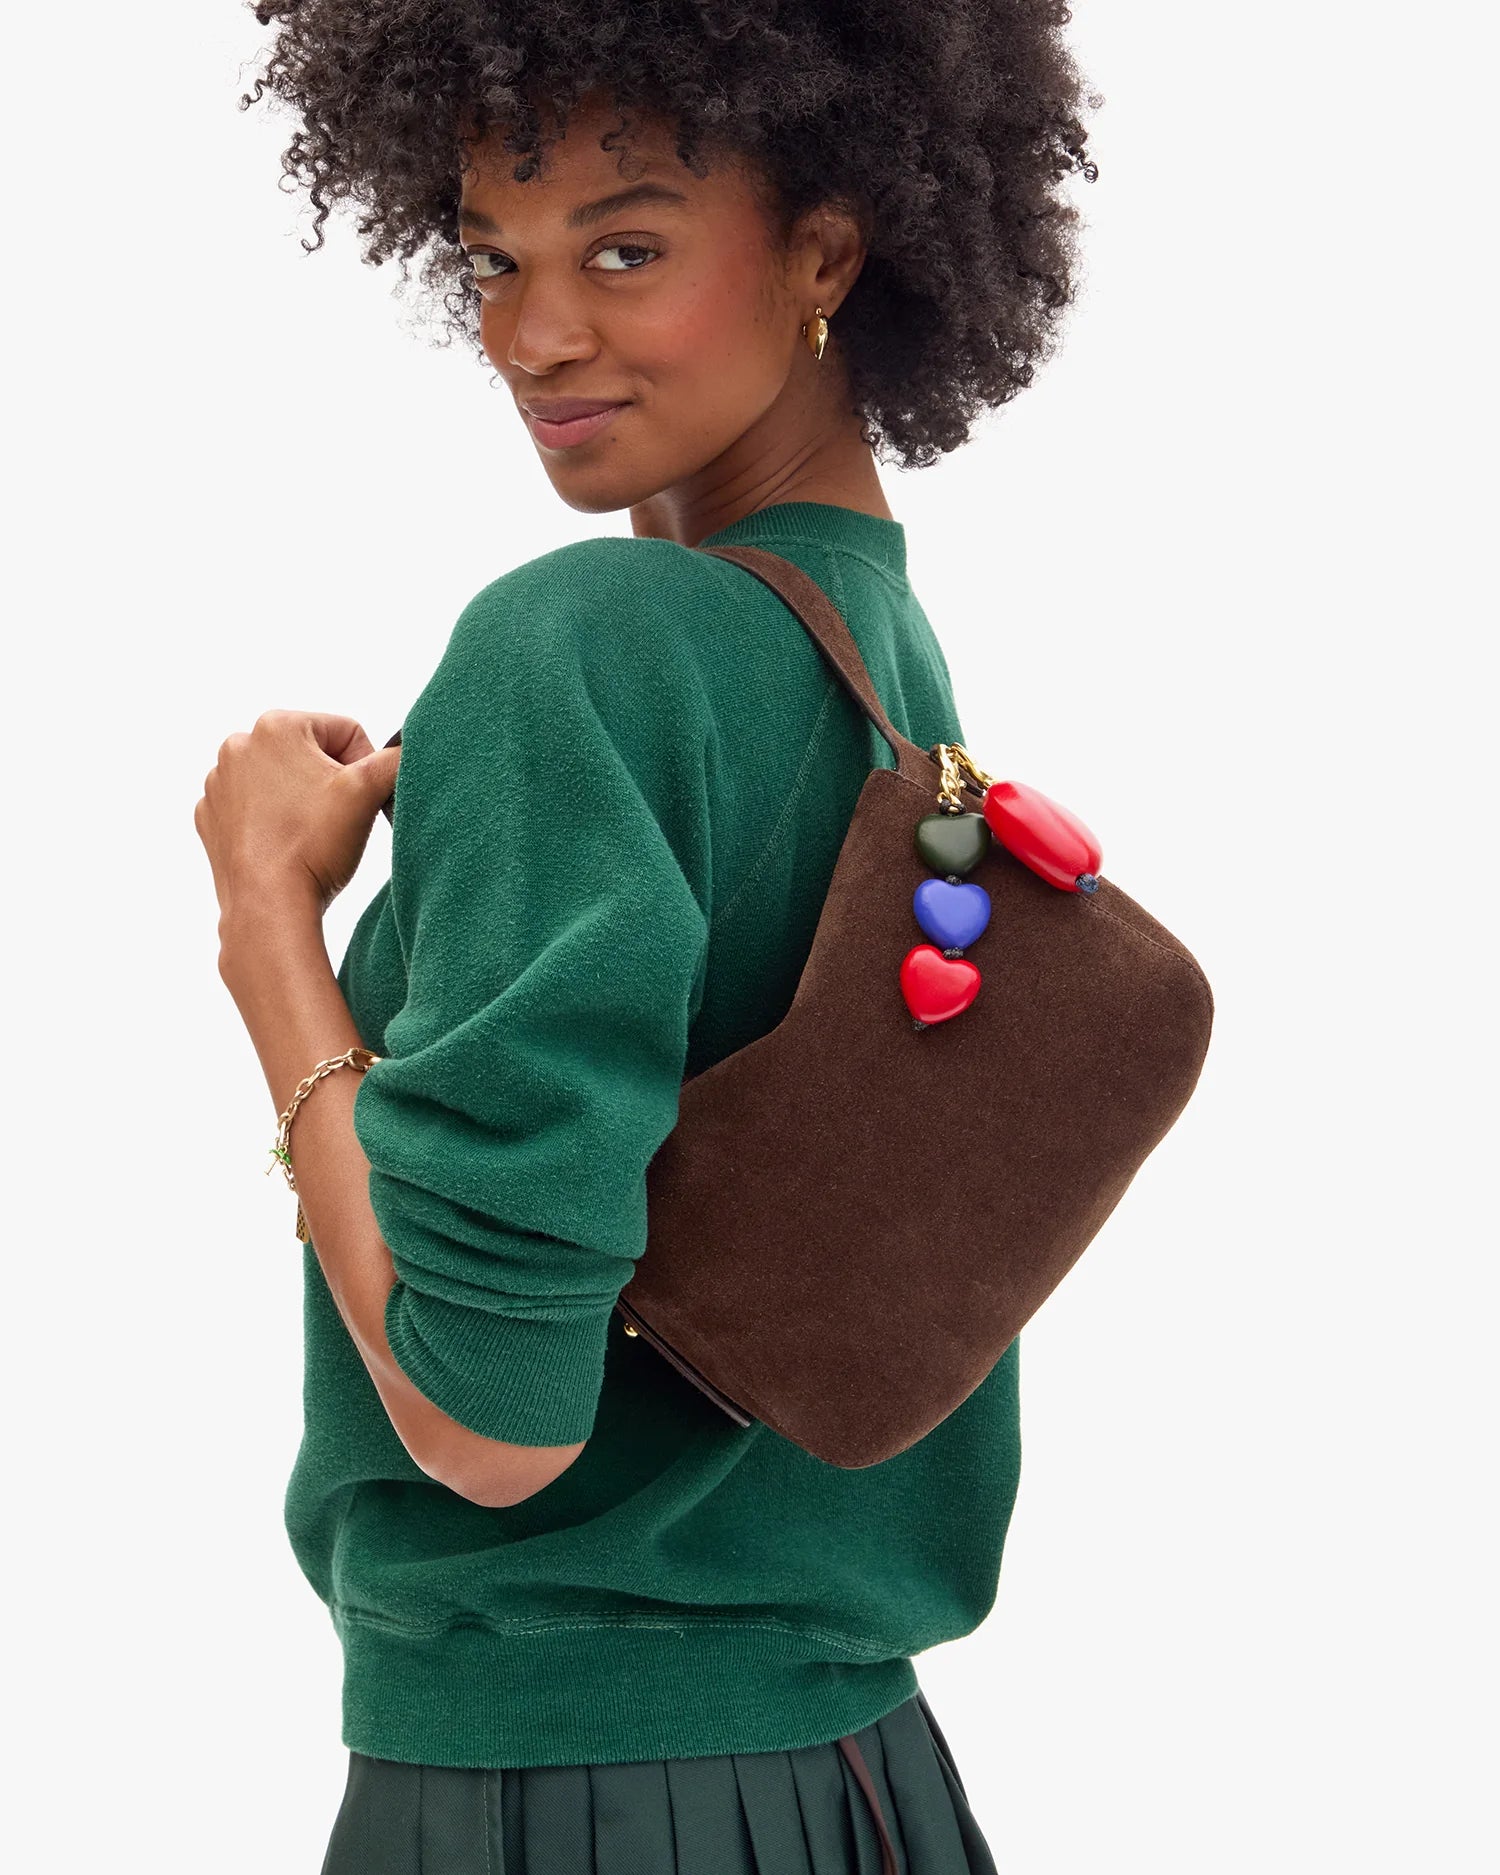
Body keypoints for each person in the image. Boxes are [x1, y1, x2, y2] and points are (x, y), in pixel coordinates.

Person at [197, 4, 1097, 1868]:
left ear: (826, 253)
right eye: (492, 260)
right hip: (863, 1783)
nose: (534, 337)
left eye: (624, 250)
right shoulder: (882, 660)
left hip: (568, 1791)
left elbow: (488, 1421)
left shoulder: (588, 648)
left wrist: (266, 926)